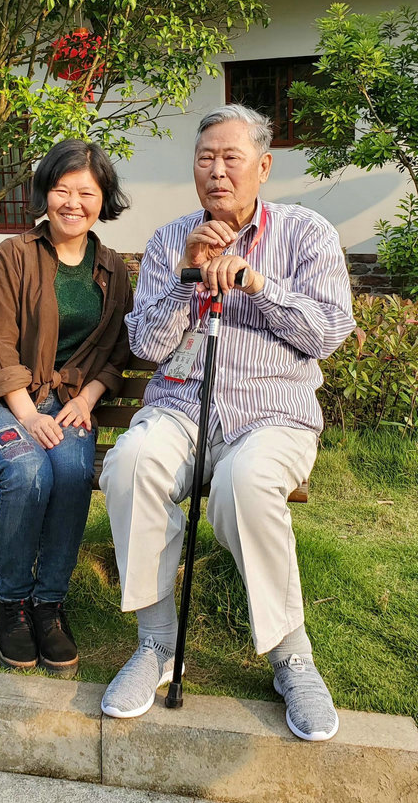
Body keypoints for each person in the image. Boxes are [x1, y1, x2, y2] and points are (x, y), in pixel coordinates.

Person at [99, 104, 355, 740]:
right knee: (130, 462)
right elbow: (149, 346)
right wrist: (190, 281)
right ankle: (157, 644)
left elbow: (327, 333)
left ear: (263, 166)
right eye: (204, 158)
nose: (215, 171)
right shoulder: (168, 240)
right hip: (183, 406)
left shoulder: (307, 234)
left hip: (273, 416)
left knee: (243, 482)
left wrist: (256, 284)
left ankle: (291, 657)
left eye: (230, 158)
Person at [0, 138, 132, 679]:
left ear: (103, 199)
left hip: (68, 402)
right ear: (44, 195)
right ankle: (13, 602)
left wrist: (86, 398)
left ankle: (49, 603)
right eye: (61, 190)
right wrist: (27, 414)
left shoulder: (112, 267)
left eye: (86, 192)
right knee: (28, 470)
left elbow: (114, 350)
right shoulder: (13, 255)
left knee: (73, 471)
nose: (72, 203)